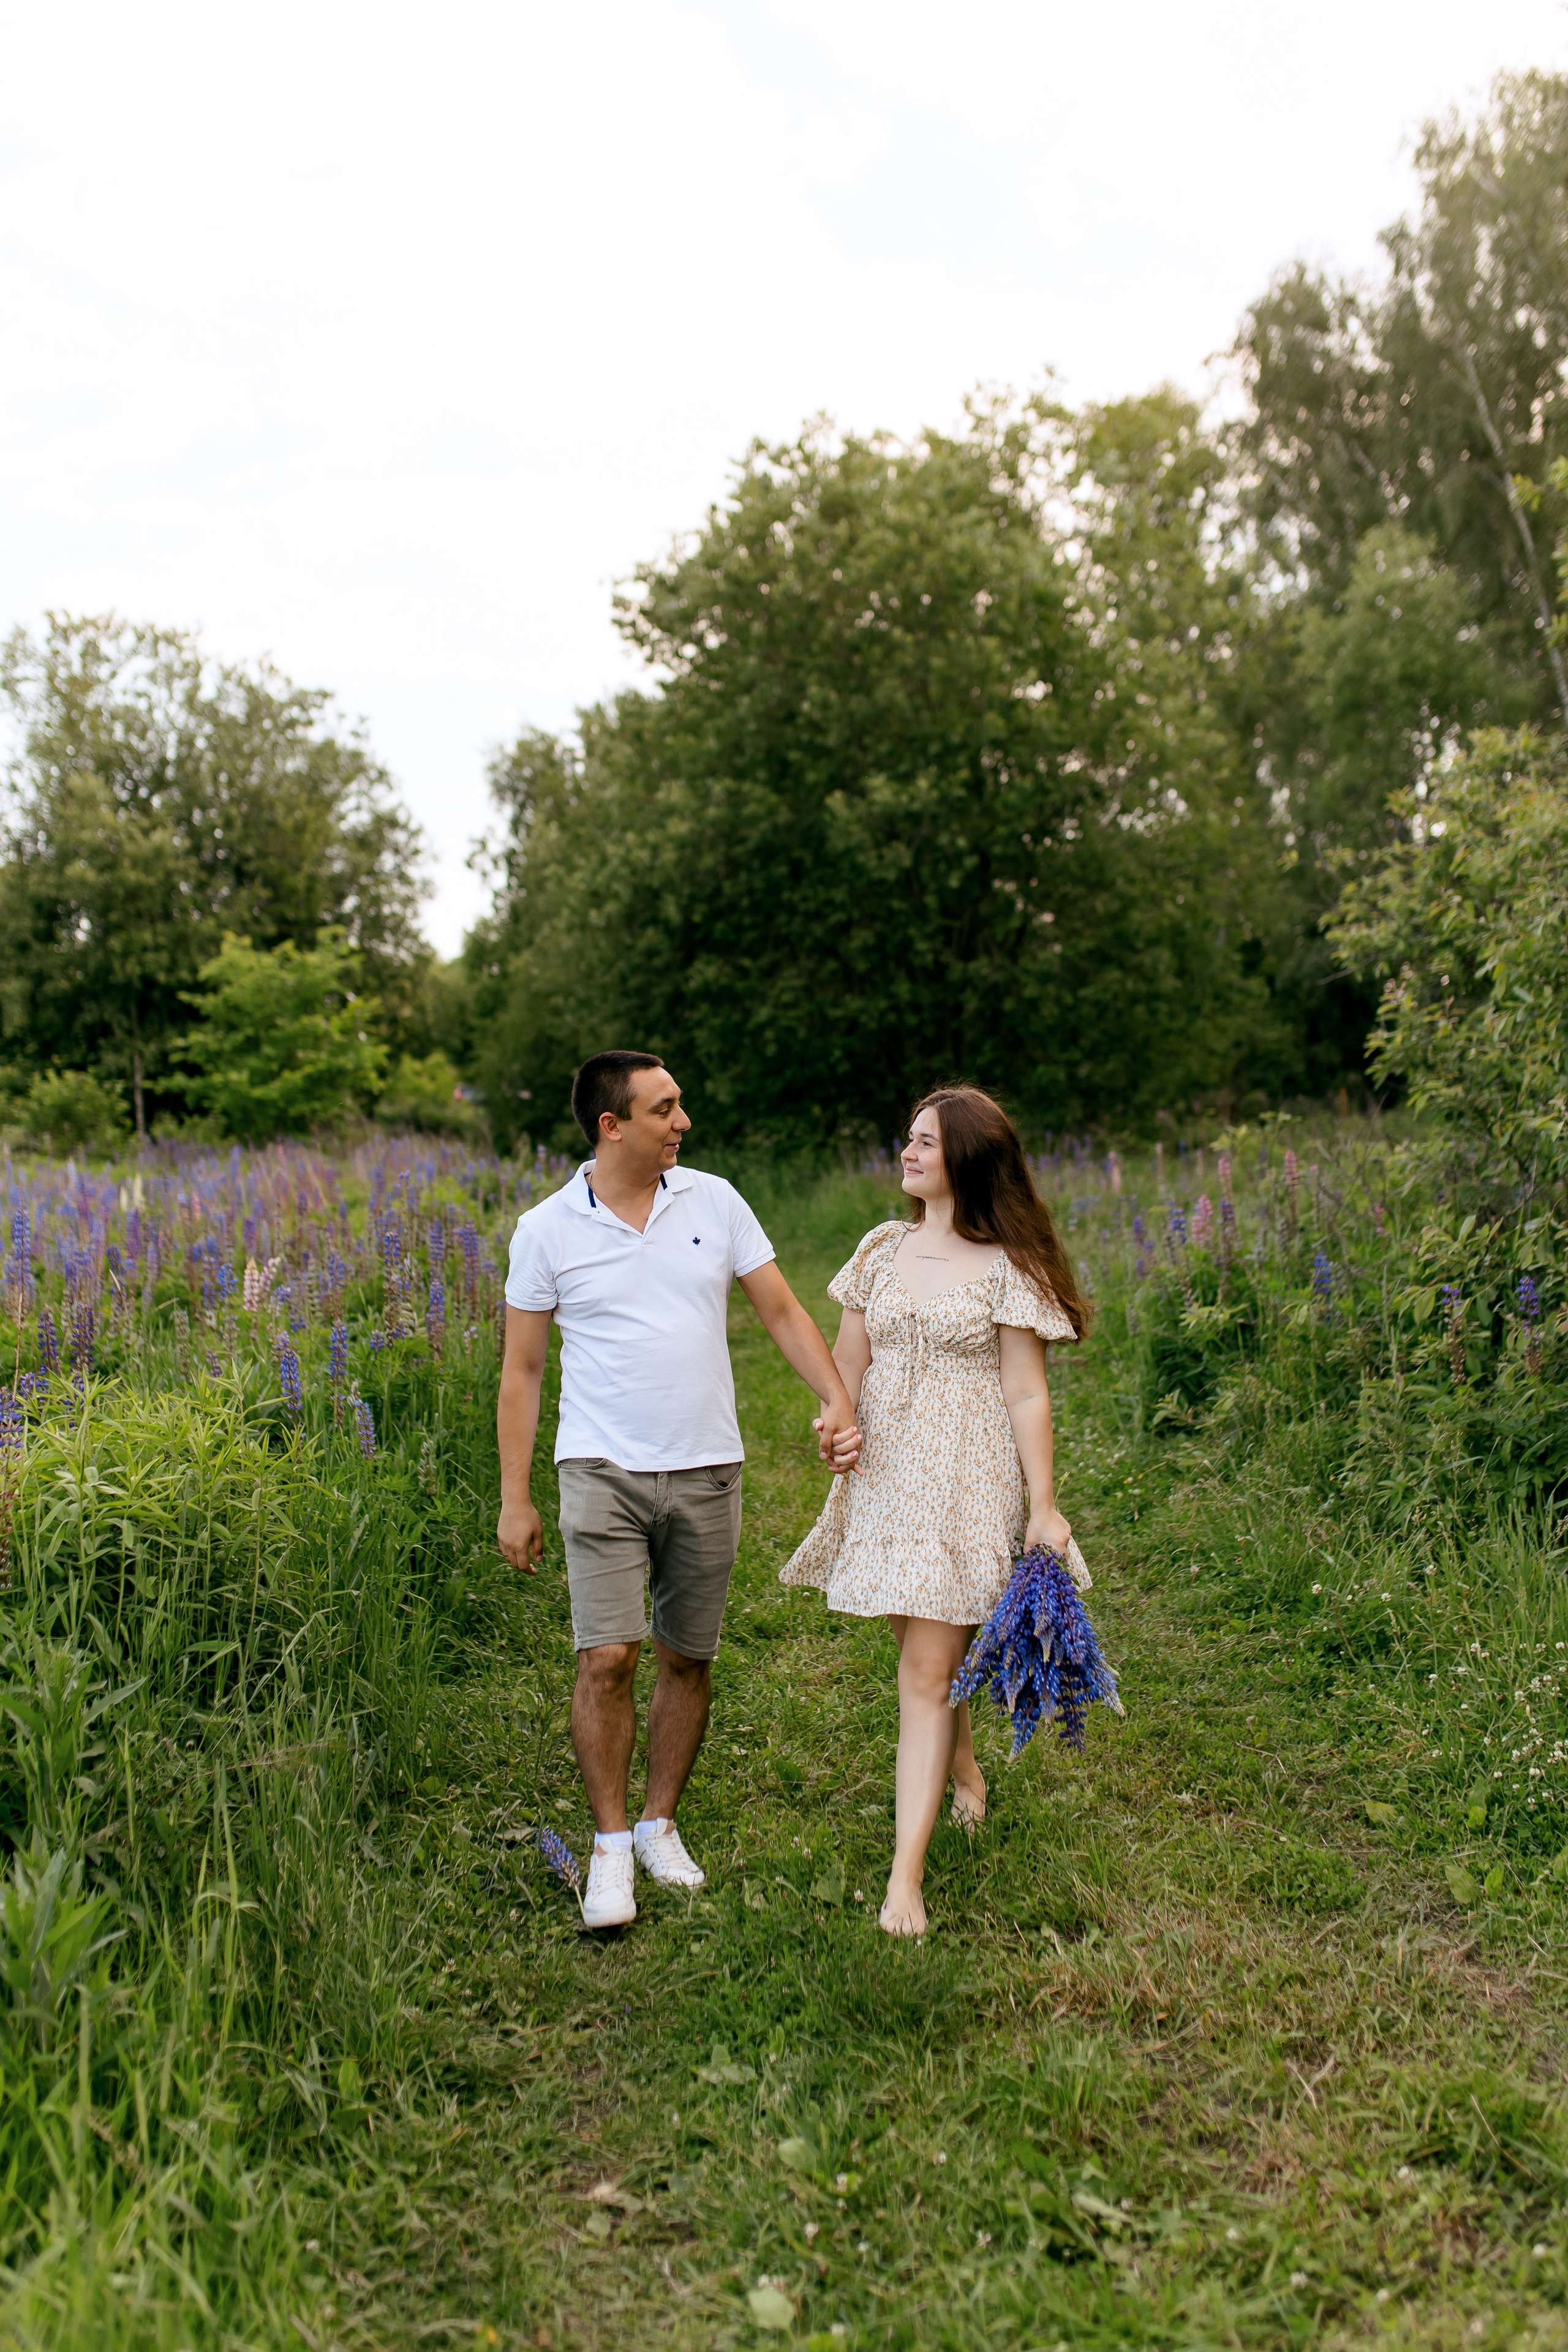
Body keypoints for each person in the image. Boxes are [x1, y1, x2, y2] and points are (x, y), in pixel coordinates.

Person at [497, 1050, 862, 1930]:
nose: (683, 1122)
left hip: (706, 1467)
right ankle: (610, 1846)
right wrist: (515, 1496)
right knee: (607, 1658)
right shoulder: (545, 1231)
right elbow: (523, 1370)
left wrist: (836, 1396)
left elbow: (781, 1310)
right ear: (611, 1125)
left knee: (687, 1657)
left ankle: (659, 1822)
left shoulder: (716, 1201)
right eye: (664, 1109)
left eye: (680, 1106)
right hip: (600, 1470)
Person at [782, 1086, 1091, 1937]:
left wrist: (1043, 1505)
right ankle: (964, 1771)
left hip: (965, 1474)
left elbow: (1026, 1393)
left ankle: (904, 1884)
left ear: (967, 1159)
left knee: (924, 1671)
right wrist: (836, 1423)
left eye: (926, 1142)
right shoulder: (882, 1248)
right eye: (909, 1139)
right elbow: (847, 1364)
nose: (908, 1153)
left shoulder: (1007, 1267)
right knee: (923, 1643)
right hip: (887, 1472)